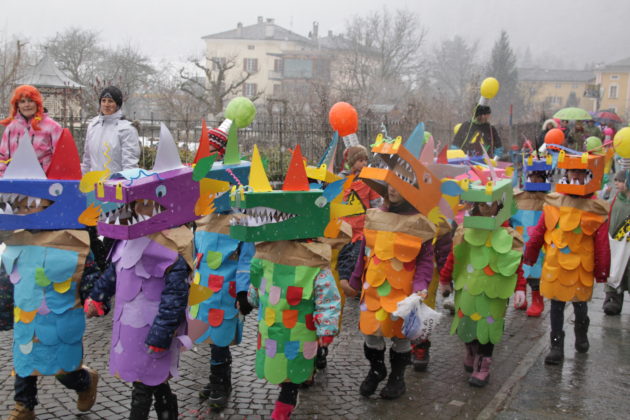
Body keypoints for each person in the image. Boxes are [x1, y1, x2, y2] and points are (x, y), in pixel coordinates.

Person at [345, 183, 435, 399]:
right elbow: (365, 252)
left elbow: (425, 260)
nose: (393, 190)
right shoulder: (376, 216)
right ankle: (377, 370)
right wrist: (355, 280)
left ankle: (397, 377)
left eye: (399, 186)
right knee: (371, 332)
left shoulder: (419, 223)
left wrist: (420, 287)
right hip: (373, 288)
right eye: (391, 186)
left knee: (400, 335)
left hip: (403, 290)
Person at [439, 181, 525, 387]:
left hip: (495, 291)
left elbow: (515, 264)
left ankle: (483, 366)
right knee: (468, 321)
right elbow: (454, 256)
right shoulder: (465, 231)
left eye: (491, 204)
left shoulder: (508, 235)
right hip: (469, 287)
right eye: (483, 205)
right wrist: (444, 278)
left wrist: (520, 288)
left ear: (499, 205)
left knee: (488, 326)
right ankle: (470, 349)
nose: (487, 209)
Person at [524, 164, 610, 365]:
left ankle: (581, 332)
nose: (576, 176)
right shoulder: (554, 202)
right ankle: (556, 346)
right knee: (556, 306)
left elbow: (602, 243)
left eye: (580, 172)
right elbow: (540, 230)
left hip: (581, 267)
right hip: (557, 265)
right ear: (566, 173)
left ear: (588, 175)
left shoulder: (595, 207)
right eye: (572, 171)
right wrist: (530, 254)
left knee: (580, 305)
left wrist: (602, 270)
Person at [338, 145, 382, 300]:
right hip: (345, 227)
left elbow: (376, 203)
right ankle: (347, 281)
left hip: (362, 228)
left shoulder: (369, 181)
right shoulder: (341, 180)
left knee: (359, 255)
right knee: (345, 253)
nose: (364, 163)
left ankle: (355, 284)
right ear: (352, 162)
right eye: (360, 160)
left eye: (365, 160)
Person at [0, 85, 63, 176]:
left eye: (30, 100)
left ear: (37, 103)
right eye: (22, 101)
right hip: (14, 180)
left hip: (43, 180)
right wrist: (3, 177)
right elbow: (2, 157)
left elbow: (60, 159)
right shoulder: (11, 128)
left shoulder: (53, 127)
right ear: (17, 105)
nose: (27, 105)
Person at [81, 86, 140, 174]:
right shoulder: (93, 125)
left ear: (118, 104)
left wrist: (125, 181)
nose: (106, 104)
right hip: (94, 181)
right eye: (103, 100)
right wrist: (83, 178)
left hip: (116, 182)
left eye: (110, 101)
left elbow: (130, 164)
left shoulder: (127, 129)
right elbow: (87, 159)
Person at [602, 170, 630, 315]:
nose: (616, 183)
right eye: (616, 180)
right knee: (614, 270)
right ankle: (612, 299)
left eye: (620, 180)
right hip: (615, 243)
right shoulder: (615, 200)